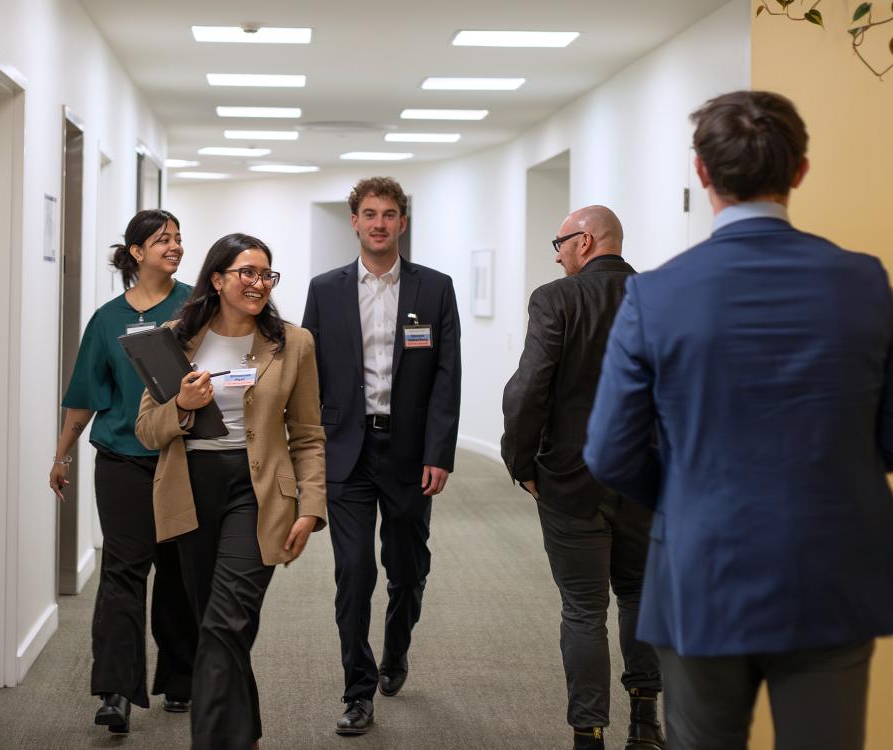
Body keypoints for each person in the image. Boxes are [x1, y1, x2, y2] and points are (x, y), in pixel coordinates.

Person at [584, 90, 893, 750]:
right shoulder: (866, 283)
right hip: (832, 573)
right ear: (800, 171)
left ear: (701, 173)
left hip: (702, 571)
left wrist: (687, 495)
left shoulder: (656, 294)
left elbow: (610, 451)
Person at [136, 233, 327, 750]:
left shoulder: (294, 343)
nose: (258, 283)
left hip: (259, 490)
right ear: (216, 279)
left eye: (266, 274)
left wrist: (310, 507)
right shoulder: (174, 339)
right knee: (216, 627)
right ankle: (245, 736)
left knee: (225, 621)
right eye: (246, 273)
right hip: (191, 489)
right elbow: (147, 430)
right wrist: (180, 404)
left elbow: (308, 434)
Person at [301, 176, 462, 735]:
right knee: (353, 571)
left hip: (410, 452)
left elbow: (447, 377)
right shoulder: (325, 289)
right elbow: (309, 374)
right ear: (354, 221)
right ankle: (357, 690)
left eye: (388, 214)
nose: (378, 223)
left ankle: (396, 650)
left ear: (402, 222)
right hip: (347, 450)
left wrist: (440, 451)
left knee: (407, 568)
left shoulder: (434, 289)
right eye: (369, 213)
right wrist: (310, 449)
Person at [501, 205, 664, 750]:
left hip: (572, 479)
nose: (556, 253)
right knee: (640, 596)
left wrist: (521, 463)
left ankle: (588, 734)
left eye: (560, 242)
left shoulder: (556, 298)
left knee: (584, 609)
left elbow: (529, 389)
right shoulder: (661, 299)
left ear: (586, 241)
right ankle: (645, 724)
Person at [49, 209, 197, 734]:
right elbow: (87, 394)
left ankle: (181, 679)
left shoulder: (197, 307)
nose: (175, 246)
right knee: (122, 575)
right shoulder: (108, 319)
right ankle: (115, 691)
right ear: (136, 252)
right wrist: (63, 452)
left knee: (179, 574)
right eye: (163, 240)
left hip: (184, 460)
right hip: (122, 462)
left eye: (179, 239)